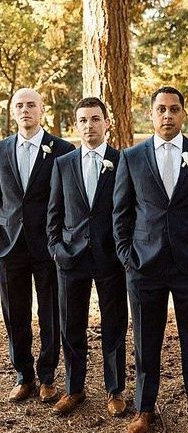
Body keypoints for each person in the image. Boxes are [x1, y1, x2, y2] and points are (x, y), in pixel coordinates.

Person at [113, 86, 188, 433]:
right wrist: (128, 257)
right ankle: (145, 410)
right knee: (146, 339)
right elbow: (121, 213)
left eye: (174, 109)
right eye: (161, 109)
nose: (167, 115)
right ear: (151, 113)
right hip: (144, 266)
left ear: (184, 114)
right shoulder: (131, 157)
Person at [47, 97, 128, 416]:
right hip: (71, 258)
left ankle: (115, 390)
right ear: (75, 125)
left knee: (114, 326)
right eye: (83, 120)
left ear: (107, 123)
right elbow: (53, 212)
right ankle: (73, 389)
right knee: (71, 325)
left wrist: (123, 252)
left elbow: (129, 210)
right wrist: (56, 248)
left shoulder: (122, 160)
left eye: (95, 119)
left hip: (110, 258)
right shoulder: (63, 163)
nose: (89, 125)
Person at [0, 88, 75, 403]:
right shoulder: (0, 150)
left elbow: (71, 201)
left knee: (50, 314)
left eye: (31, 104)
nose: (25, 109)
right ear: (12, 111)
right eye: (20, 105)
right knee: (14, 313)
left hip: (47, 246)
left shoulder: (62, 150)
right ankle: (23, 375)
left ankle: (47, 376)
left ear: (42, 109)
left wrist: (62, 241)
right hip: (8, 246)